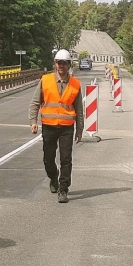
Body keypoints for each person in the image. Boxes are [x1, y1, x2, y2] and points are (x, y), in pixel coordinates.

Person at [29, 49, 84, 203]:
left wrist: (79, 130)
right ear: (55, 64)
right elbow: (35, 102)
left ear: (69, 65)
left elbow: (79, 109)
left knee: (66, 159)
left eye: (65, 63)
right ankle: (53, 177)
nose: (62, 66)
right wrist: (33, 121)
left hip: (67, 127)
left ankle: (63, 188)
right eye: (59, 62)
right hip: (49, 126)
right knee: (48, 159)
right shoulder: (45, 80)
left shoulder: (75, 84)